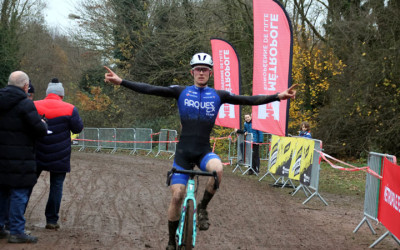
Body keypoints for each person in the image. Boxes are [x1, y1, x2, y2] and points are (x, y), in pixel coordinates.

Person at [103, 52, 297, 250]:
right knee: (177, 196)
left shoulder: (218, 96)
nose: (201, 73)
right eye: (198, 69)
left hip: (203, 151)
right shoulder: (181, 91)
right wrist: (121, 82)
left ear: (210, 73)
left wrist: (278, 96)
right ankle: (171, 241)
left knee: (218, 169)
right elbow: (150, 89)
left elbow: (248, 100)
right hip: (183, 154)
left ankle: (203, 208)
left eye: (205, 70)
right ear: (192, 72)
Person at [0, 71, 48, 243]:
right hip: (20, 157)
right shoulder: (25, 104)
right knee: (19, 193)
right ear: (26, 86)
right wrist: (43, 124)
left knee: (2, 191)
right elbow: (39, 130)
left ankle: (0, 227)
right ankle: (16, 231)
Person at [33, 78, 84, 230]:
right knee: (56, 186)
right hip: (60, 155)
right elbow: (77, 129)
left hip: (37, 152)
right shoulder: (70, 108)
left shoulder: (34, 105)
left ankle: (16, 216)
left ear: (47, 93)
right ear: (61, 95)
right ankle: (51, 220)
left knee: (27, 184)